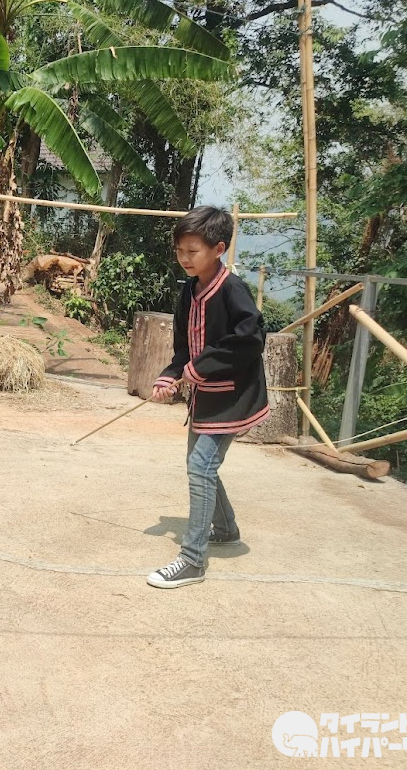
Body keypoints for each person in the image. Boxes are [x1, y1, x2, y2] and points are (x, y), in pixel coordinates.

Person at [146, 206, 270, 589]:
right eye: (179, 250)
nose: (184, 258)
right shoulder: (188, 291)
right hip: (204, 397)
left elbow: (250, 338)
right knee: (199, 464)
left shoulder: (233, 289)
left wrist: (200, 368)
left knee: (201, 467)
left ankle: (193, 559)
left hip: (234, 396)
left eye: (192, 251)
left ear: (218, 249)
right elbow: (184, 347)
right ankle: (226, 529)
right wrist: (171, 375)